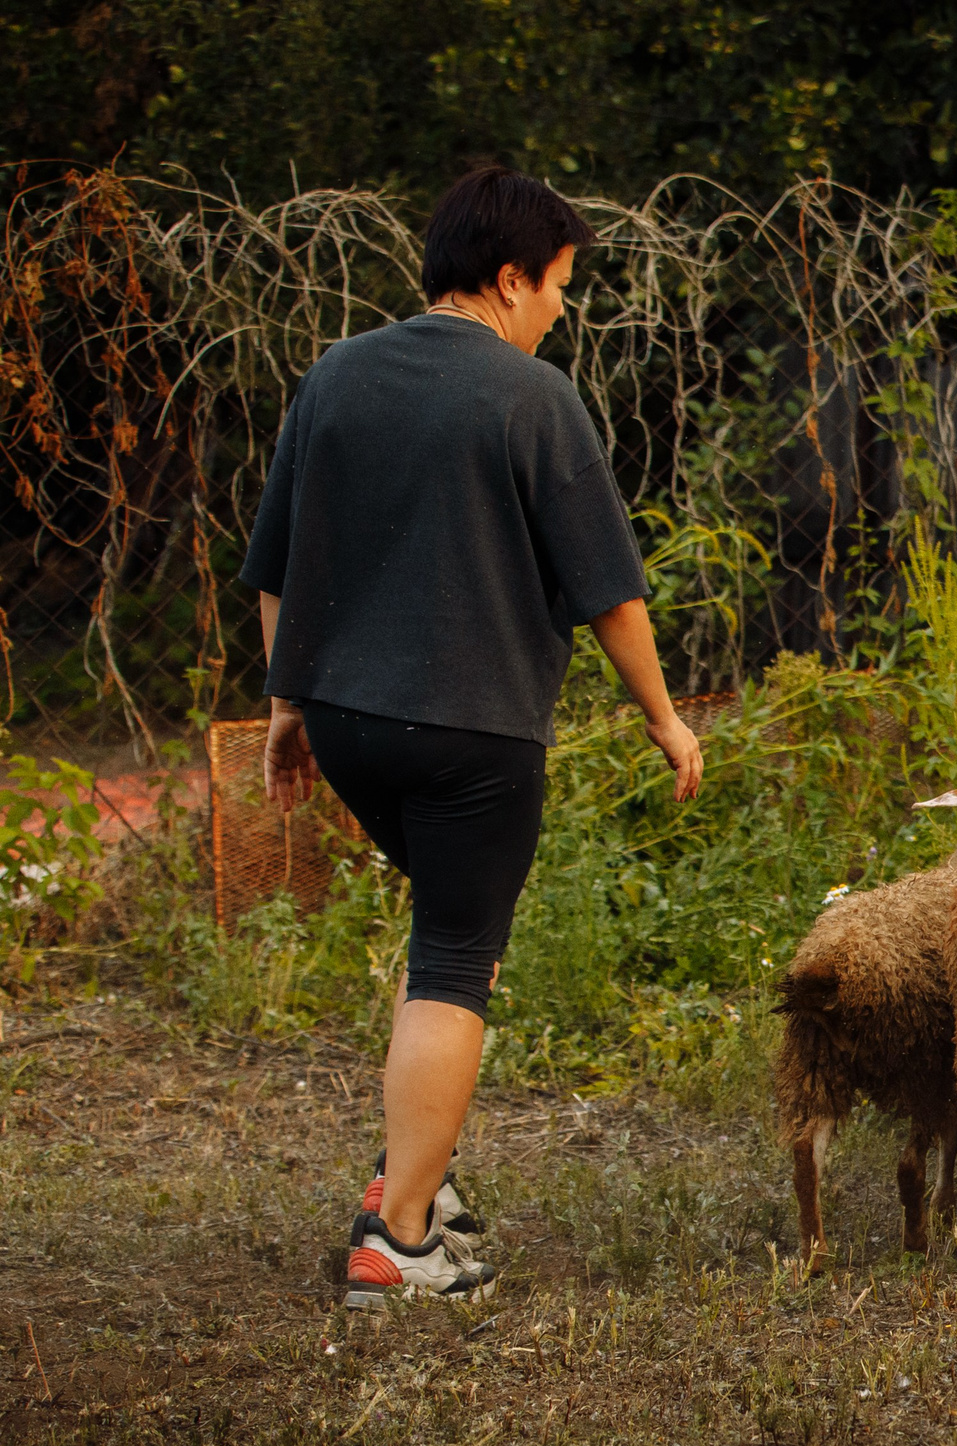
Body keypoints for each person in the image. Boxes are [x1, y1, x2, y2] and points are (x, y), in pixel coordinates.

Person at [243, 165, 703, 1309]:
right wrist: (662, 714)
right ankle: (399, 1241)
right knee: (457, 963)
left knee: (444, 938)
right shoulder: (529, 397)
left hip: (350, 726)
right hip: (474, 735)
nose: (562, 309)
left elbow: (275, 564)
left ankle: (417, 1174)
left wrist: (290, 704)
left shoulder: (336, 376)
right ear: (507, 279)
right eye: (556, 285)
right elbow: (610, 590)